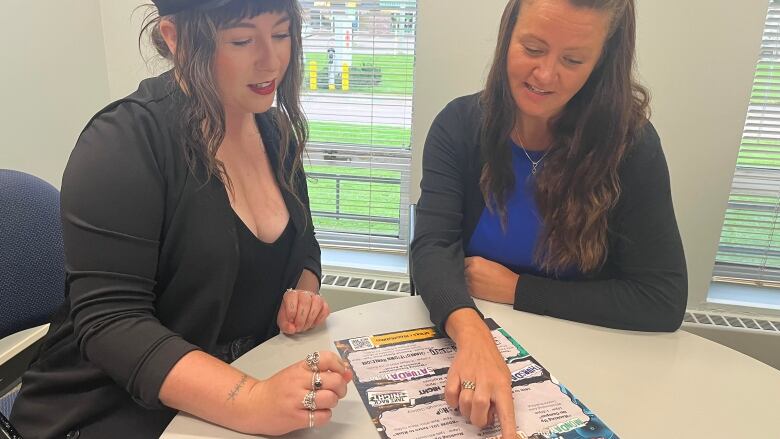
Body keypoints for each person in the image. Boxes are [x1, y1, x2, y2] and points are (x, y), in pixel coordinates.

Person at [10, 1, 352, 437]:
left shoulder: (274, 131)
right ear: (176, 39)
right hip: (109, 408)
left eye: (281, 34)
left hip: (228, 395)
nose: (271, 60)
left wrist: (301, 290)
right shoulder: (122, 144)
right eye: (242, 40)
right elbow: (113, 323)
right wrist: (249, 400)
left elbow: (303, 245)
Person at [410, 0, 687, 437]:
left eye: (573, 60)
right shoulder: (459, 126)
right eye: (533, 48)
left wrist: (518, 289)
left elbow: (662, 299)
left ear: (602, 62)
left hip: (590, 369)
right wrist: (472, 333)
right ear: (507, 35)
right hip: (468, 342)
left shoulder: (631, 146)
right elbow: (431, 248)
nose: (544, 76)